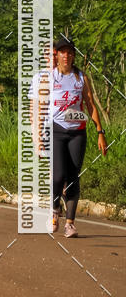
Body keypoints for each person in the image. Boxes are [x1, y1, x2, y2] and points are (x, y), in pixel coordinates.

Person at [50, 38, 107, 237]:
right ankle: (55, 207)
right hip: (57, 131)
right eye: (62, 52)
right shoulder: (50, 77)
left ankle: (70, 224)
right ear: (56, 55)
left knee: (73, 178)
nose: (67, 56)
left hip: (78, 133)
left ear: (74, 55)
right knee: (58, 176)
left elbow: (90, 105)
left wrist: (100, 132)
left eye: (70, 52)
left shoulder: (81, 77)